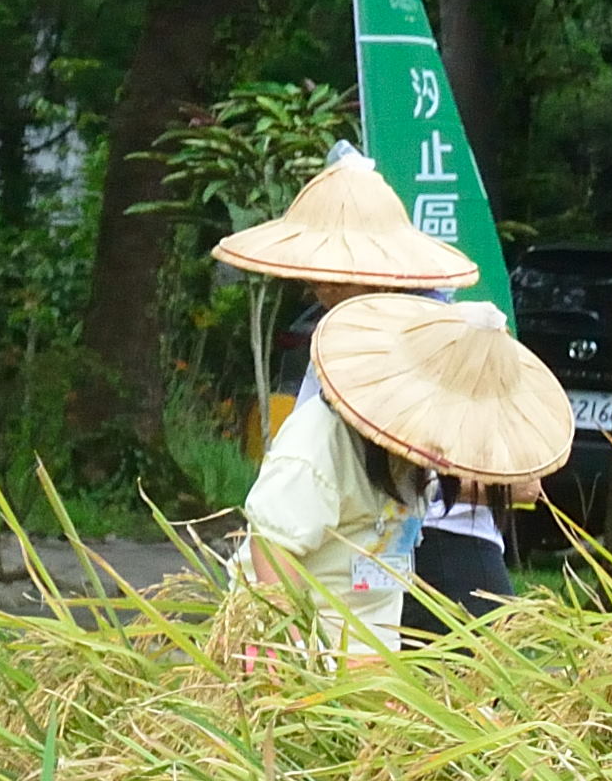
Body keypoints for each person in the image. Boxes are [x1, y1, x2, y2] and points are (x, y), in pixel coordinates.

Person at [215, 151, 495, 657]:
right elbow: (272, 548)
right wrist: (285, 649)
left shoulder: (409, 439)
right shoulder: (319, 443)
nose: (319, 284)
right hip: (298, 668)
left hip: (363, 657)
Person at [288, 295, 571, 645]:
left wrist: (431, 481)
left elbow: (527, 487)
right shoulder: (345, 381)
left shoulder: (474, 377)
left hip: (452, 550)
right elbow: (278, 540)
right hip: (376, 549)